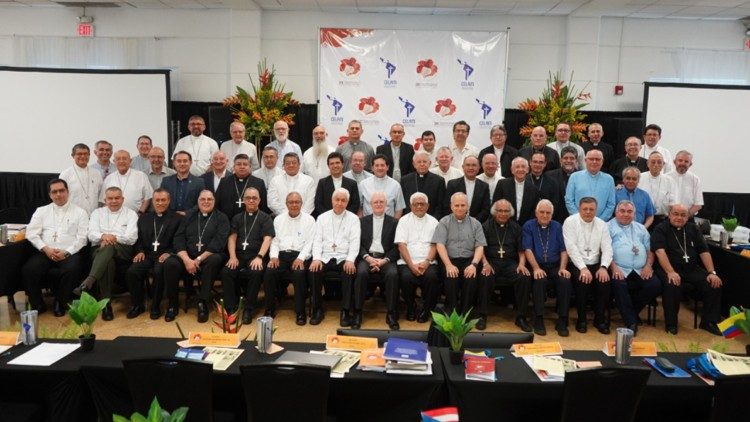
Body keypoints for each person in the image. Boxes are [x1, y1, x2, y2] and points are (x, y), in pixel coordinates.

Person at [652, 204, 722, 335]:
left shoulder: (693, 229)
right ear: (669, 214)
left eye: (683, 215)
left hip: (691, 268)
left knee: (714, 284)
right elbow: (660, 252)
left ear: (688, 216)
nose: (679, 217)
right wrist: (671, 272)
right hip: (667, 268)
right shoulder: (661, 228)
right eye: (676, 214)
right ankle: (671, 324)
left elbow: (704, 251)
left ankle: (708, 322)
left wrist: (712, 272)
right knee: (672, 284)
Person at [23, 179, 89, 316]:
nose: (58, 194)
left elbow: (82, 238)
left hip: (69, 253)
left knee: (73, 269)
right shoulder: (41, 211)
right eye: (54, 192)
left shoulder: (80, 212)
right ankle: (37, 304)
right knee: (29, 269)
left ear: (67, 192)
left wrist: (67, 252)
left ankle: (60, 301)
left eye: (61, 191)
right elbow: (31, 233)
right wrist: (46, 249)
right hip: (46, 252)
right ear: (50, 195)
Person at [164, 190, 230, 322]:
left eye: (209, 199)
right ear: (198, 201)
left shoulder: (221, 218)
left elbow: (219, 242)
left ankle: (202, 302)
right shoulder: (189, 216)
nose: (206, 202)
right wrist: (187, 259)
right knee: (170, 263)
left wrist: (199, 259)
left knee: (214, 260)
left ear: (214, 201)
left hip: (210, 256)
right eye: (203, 199)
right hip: (188, 257)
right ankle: (172, 305)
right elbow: (179, 238)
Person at [77, 187, 139, 321]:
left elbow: (132, 238)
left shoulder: (131, 214)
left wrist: (112, 238)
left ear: (122, 199)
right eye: (110, 198)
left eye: (117, 198)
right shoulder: (97, 213)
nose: (114, 201)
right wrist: (104, 236)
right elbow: (91, 234)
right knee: (108, 261)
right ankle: (106, 305)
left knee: (109, 248)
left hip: (123, 249)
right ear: (105, 200)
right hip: (99, 249)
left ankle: (89, 280)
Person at [125, 188, 182, 319]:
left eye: (163, 200)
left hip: (165, 254)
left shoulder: (177, 218)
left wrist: (170, 253)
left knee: (158, 271)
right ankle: (138, 305)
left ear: (169, 201)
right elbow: (137, 238)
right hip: (147, 254)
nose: (160, 203)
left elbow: (179, 239)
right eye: (157, 200)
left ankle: (156, 305)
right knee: (132, 271)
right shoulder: (144, 218)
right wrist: (139, 251)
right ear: (153, 201)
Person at [221, 187, 274, 324]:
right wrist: (232, 256)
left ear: (259, 200)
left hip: (255, 255)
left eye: (254, 198)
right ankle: (231, 309)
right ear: (243, 200)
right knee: (227, 271)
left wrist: (260, 257)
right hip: (238, 255)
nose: (251, 200)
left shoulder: (265, 218)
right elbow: (232, 238)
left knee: (256, 272)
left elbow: (267, 239)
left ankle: (249, 309)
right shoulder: (237, 218)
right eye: (248, 198)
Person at [308, 188, 361, 325]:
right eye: (337, 199)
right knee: (314, 270)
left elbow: (355, 242)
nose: (339, 203)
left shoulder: (354, 219)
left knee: (349, 271)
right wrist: (316, 259)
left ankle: (345, 311)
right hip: (325, 256)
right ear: (332, 200)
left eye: (343, 200)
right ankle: (317, 308)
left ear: (347, 202)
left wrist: (350, 260)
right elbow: (317, 240)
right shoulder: (322, 218)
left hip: (344, 257)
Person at [608, 200, 661, 335]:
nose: (626, 214)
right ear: (616, 212)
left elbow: (650, 250)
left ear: (634, 214)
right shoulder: (607, 227)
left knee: (654, 285)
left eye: (629, 211)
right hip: (619, 268)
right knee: (618, 285)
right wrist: (614, 268)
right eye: (622, 211)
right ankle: (631, 321)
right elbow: (605, 251)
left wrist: (648, 266)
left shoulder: (641, 228)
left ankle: (629, 312)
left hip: (640, 268)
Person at [480, 200, 532, 332]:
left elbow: (521, 249)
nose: (503, 214)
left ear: (511, 213)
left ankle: (521, 317)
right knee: (485, 276)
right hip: (492, 262)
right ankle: (482, 315)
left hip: (510, 263)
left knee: (524, 277)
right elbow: (480, 248)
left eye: (506, 211)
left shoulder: (515, 227)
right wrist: (485, 263)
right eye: (500, 211)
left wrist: (521, 265)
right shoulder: (485, 226)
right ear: (494, 212)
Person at [563, 197, 613, 334]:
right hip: (577, 263)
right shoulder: (570, 222)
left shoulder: (602, 224)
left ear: (596, 210)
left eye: (591, 209)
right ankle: (582, 319)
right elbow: (571, 248)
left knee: (604, 282)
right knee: (582, 281)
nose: (588, 212)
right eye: (585, 209)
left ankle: (599, 319)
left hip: (597, 263)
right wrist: (583, 268)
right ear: (579, 209)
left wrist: (604, 267)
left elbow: (608, 248)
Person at [264, 192, 315, 325]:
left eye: (297, 202)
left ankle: (300, 311)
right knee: (269, 272)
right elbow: (274, 241)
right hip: (281, 255)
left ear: (301, 204)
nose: (294, 205)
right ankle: (269, 309)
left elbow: (310, 243)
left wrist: (301, 258)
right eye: (291, 202)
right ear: (286, 204)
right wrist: (274, 257)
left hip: (300, 255)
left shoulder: (309, 220)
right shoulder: (278, 219)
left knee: (299, 274)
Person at [522, 200, 572, 336]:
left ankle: (562, 319)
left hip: (555, 266)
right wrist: (536, 268)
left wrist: (562, 268)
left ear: (552, 214)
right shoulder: (529, 226)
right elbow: (527, 249)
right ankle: (538, 318)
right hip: (537, 266)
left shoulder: (557, 226)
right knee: (539, 280)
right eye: (542, 212)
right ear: (536, 213)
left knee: (564, 280)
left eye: (548, 213)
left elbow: (563, 250)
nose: (545, 215)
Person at [432, 192, 486, 317]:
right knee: (451, 277)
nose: (460, 208)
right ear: (451, 206)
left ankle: (466, 312)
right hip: (449, 259)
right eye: (456, 205)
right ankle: (452, 311)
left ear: (468, 206)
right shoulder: (444, 222)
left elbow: (479, 246)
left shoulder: (476, 223)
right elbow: (440, 245)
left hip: (469, 260)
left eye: (463, 205)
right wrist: (448, 265)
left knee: (471, 278)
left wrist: (473, 264)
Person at [354, 192, 400, 329]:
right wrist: (368, 258)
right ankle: (358, 312)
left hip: (386, 259)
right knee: (361, 273)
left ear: (386, 205)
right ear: (370, 204)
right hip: (367, 257)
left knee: (393, 274)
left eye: (381, 202)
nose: (379, 204)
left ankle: (391, 313)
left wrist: (383, 261)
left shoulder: (394, 222)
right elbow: (357, 244)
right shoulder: (362, 222)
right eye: (376, 202)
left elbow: (397, 247)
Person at [395, 192, 440, 324]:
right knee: (406, 277)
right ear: (410, 206)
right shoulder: (403, 220)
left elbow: (435, 245)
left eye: (422, 204)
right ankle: (410, 307)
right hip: (407, 261)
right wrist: (411, 265)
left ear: (427, 206)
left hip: (428, 261)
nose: (419, 207)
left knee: (432, 277)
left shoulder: (434, 221)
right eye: (416, 204)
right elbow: (401, 245)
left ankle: (426, 310)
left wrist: (426, 262)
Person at [565, 149, 616, 220]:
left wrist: (600, 221)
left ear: (602, 161)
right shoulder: (574, 177)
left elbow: (611, 204)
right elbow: (569, 200)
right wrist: (579, 218)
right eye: (591, 159)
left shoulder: (609, 179)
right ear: (585, 160)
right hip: (578, 222)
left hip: (601, 223)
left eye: (597, 159)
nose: (594, 162)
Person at [215, 153, 269, 219]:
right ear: (234, 166)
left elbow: (264, 207)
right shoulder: (224, 182)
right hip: (227, 222)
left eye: (245, 164)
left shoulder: (259, 183)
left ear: (250, 167)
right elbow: (217, 205)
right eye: (238, 164)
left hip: (252, 222)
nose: (242, 167)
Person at [101, 150, 153, 214]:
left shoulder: (141, 176)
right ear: (114, 162)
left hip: (136, 217)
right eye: (118, 159)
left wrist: (140, 213)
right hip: (113, 217)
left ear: (130, 161)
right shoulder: (109, 178)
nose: (121, 161)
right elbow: (104, 201)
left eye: (124, 158)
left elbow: (148, 197)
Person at [492, 157, 539, 225]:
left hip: (525, 226)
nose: (520, 169)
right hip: (505, 225)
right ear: (512, 170)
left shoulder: (534, 189)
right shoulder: (502, 184)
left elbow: (534, 212)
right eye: (517, 167)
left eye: (523, 167)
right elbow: (495, 206)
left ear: (528, 169)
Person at [400, 150, 446, 220]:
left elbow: (440, 206)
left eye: (424, 161)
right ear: (414, 164)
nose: (422, 164)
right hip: (410, 220)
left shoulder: (439, 181)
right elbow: (403, 204)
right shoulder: (405, 180)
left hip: (431, 220)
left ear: (430, 163)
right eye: (419, 162)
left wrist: (434, 220)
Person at [59, 143, 102, 214]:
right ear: (73, 156)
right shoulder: (65, 174)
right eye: (79, 154)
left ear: (89, 155)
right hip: (73, 215)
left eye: (86, 154)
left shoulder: (97, 173)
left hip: (93, 215)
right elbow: (61, 197)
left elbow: (100, 196)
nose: (83, 156)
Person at [445, 155, 490, 222]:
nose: (470, 168)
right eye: (468, 165)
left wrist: (473, 221)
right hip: (455, 222)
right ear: (463, 167)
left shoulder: (484, 186)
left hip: (476, 224)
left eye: (474, 165)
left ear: (479, 168)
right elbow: (447, 206)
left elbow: (486, 209)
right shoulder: (452, 184)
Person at [314, 152, 360, 217]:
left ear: (342, 164)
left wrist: (344, 216)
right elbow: (318, 204)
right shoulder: (322, 183)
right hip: (327, 220)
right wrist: (329, 216)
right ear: (328, 166)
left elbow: (355, 204)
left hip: (347, 219)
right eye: (332, 164)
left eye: (337, 163)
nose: (335, 166)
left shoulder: (352, 183)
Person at [160, 151, 205, 215]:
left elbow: (202, 202)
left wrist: (187, 213)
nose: (182, 164)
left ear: (190, 162)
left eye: (185, 161)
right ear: (174, 163)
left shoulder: (199, 182)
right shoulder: (166, 181)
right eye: (179, 161)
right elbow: (161, 200)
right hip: (169, 219)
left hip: (191, 220)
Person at [638, 151, 676, 228]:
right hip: (643, 219)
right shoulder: (639, 177)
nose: (656, 165)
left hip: (663, 220)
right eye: (653, 162)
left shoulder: (670, 180)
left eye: (659, 162)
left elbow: (673, 202)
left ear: (663, 164)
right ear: (648, 163)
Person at [527, 152, 565, 222]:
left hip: (548, 219)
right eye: (535, 162)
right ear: (530, 163)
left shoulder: (552, 182)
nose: (537, 165)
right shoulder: (524, 180)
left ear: (545, 164)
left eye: (541, 162)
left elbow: (555, 204)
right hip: (528, 220)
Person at [545, 145, 578, 223]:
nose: (568, 161)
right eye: (565, 158)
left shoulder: (582, 176)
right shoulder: (549, 176)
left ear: (576, 161)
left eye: (572, 158)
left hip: (575, 218)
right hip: (554, 219)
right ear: (560, 160)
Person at [666, 150, 703, 218]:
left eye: (686, 161)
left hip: (688, 218)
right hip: (668, 218)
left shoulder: (695, 180)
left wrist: (684, 217)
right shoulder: (666, 178)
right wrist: (672, 217)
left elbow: (698, 205)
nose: (683, 163)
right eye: (680, 160)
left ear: (690, 164)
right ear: (674, 162)